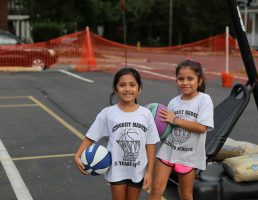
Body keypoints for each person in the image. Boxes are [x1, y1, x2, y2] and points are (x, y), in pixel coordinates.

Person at [74, 67, 160, 200]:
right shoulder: (108, 113)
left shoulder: (146, 114)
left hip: (138, 169)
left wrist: (149, 172)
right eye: (122, 85)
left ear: (139, 89)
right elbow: (91, 136)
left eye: (132, 85)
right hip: (116, 169)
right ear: (115, 89)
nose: (127, 89)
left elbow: (150, 145)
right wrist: (77, 155)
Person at [149, 59, 214, 200]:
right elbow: (167, 127)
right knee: (156, 189)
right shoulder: (174, 102)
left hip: (189, 155)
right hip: (168, 150)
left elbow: (202, 128)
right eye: (181, 79)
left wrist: (175, 120)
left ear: (200, 81)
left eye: (190, 78)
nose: (185, 82)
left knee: (185, 194)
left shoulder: (204, 100)